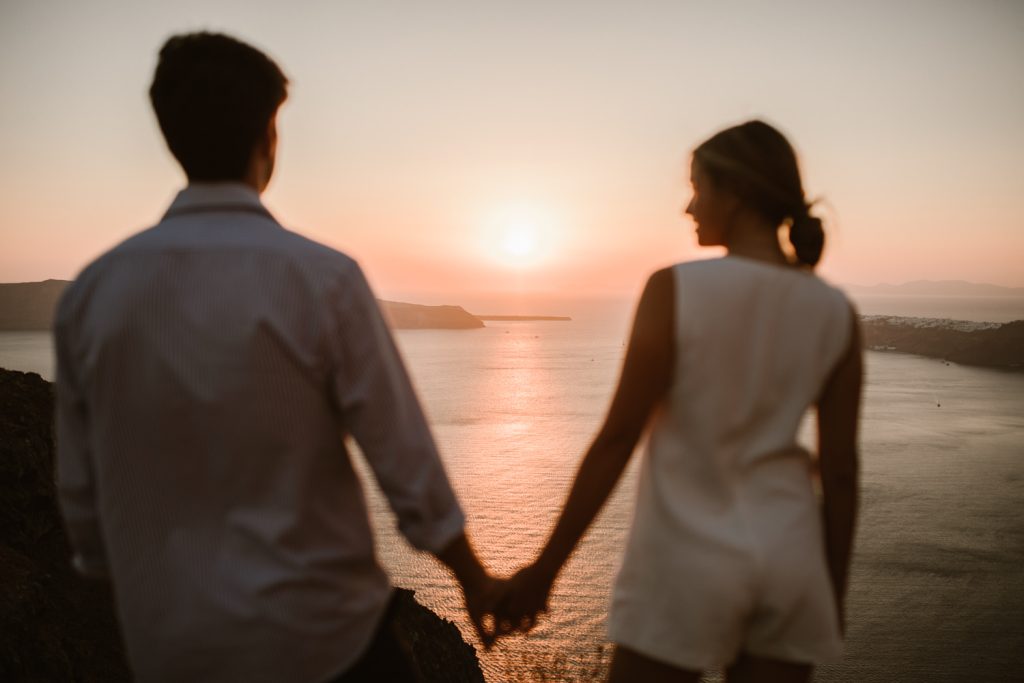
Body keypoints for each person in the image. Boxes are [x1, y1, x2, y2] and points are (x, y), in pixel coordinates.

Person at [54, 32, 495, 683]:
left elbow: (81, 494)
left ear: (170, 138)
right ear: (269, 137)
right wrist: (474, 578)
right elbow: (404, 459)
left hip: (170, 647)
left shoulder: (92, 293)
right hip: (323, 642)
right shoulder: (324, 279)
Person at [491, 120, 862, 682]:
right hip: (790, 560)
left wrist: (545, 570)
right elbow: (840, 474)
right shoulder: (835, 311)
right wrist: (828, 592)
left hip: (687, 562)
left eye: (698, 187)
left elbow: (618, 440)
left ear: (733, 194)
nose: (689, 206)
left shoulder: (675, 288)